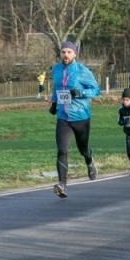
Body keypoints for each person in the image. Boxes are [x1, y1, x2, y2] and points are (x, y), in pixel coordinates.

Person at [48, 41, 100, 198]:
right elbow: (57, 89)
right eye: (63, 52)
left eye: (69, 52)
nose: (65, 55)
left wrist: (81, 92)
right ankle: (62, 184)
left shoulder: (82, 71)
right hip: (63, 117)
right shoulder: (56, 69)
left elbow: (96, 90)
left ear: (75, 54)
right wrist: (54, 103)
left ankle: (89, 162)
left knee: (82, 148)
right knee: (62, 150)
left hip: (81, 116)